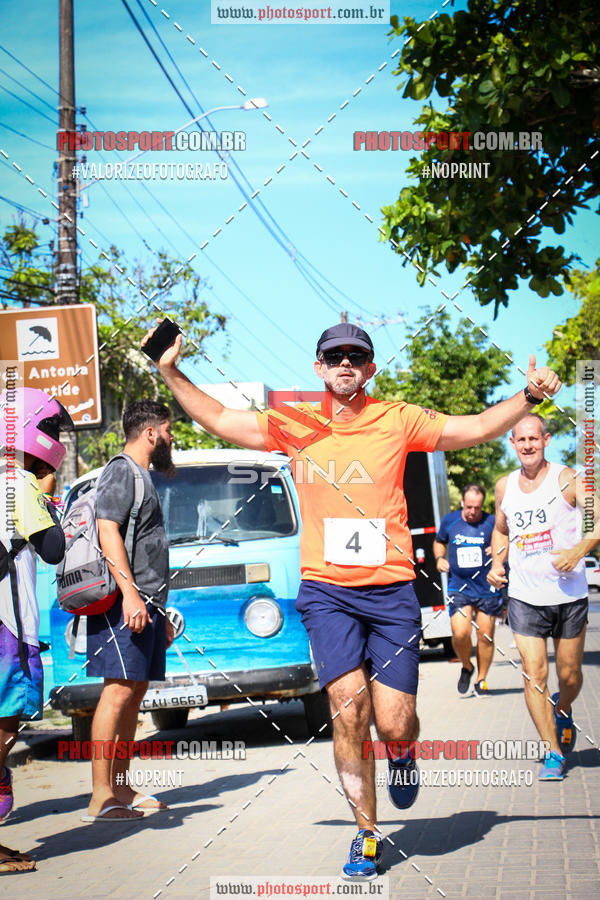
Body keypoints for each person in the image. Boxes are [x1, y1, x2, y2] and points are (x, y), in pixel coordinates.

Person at [145, 321, 560, 878]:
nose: (345, 363)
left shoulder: (398, 418)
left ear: (369, 368)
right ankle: (367, 835)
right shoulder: (294, 423)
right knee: (347, 710)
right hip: (327, 593)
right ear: (319, 367)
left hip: (390, 593)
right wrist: (170, 370)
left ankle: (403, 753)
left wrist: (528, 397)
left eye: (356, 357)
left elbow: (477, 427)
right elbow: (219, 418)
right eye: (334, 356)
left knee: (394, 721)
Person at [488, 413, 599, 781]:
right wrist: (497, 563)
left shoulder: (567, 479)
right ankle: (552, 751)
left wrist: (579, 550)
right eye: (521, 440)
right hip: (524, 596)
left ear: (546, 439)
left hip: (568, 594)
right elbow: (501, 531)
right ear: (513, 444)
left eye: (534, 439)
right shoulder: (504, 487)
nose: (528, 445)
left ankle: (563, 707)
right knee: (534, 673)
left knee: (569, 675)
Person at [83, 400, 175, 822]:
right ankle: (101, 796)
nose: (171, 438)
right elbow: (107, 531)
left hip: (146, 605)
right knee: (117, 691)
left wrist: (157, 608)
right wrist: (131, 595)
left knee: (134, 693)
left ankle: (121, 787)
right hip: (123, 604)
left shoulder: (143, 476)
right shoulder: (122, 470)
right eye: (168, 430)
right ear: (151, 432)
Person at [0, 386, 72, 873]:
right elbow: (54, 548)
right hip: (7, 626)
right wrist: (47, 492)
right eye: (48, 429)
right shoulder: (17, 485)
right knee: (3, 726)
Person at [434, 484, 500, 697]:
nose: (473, 512)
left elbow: (506, 542)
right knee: (461, 633)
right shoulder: (450, 521)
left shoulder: (491, 522)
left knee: (486, 635)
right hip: (459, 588)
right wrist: (439, 559)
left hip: (487, 588)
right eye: (469, 507)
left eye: (477, 508)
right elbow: (438, 542)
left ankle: (481, 679)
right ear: (462, 502)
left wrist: (497, 550)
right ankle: (466, 666)